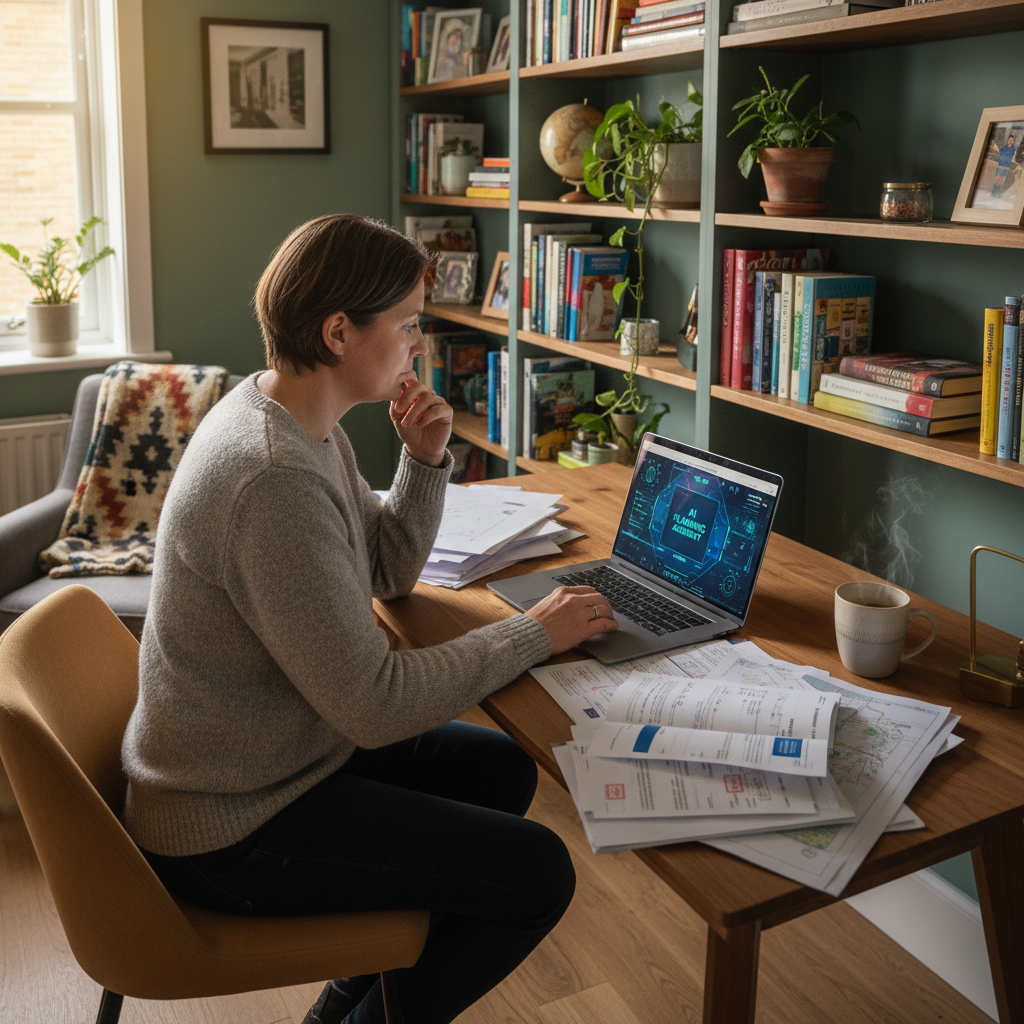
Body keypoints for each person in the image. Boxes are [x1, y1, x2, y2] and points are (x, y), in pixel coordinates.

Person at [120, 213, 618, 1024]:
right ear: (339, 331)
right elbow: (374, 705)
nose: (420, 342)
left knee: (502, 772)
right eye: (410, 324)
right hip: (231, 827)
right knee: (538, 874)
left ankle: (352, 1003)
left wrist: (422, 464)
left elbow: (384, 572)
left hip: (278, 758)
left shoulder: (295, 417)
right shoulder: (270, 475)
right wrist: (536, 632)